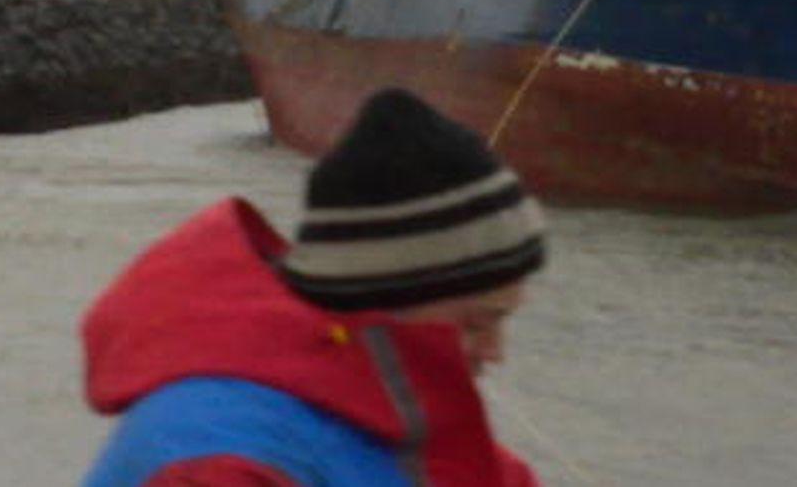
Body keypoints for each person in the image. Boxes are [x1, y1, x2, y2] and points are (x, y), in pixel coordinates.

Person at [79, 87, 548, 486]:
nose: (494, 352)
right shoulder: (221, 466)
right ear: (382, 301)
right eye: (475, 323)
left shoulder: (383, 408)